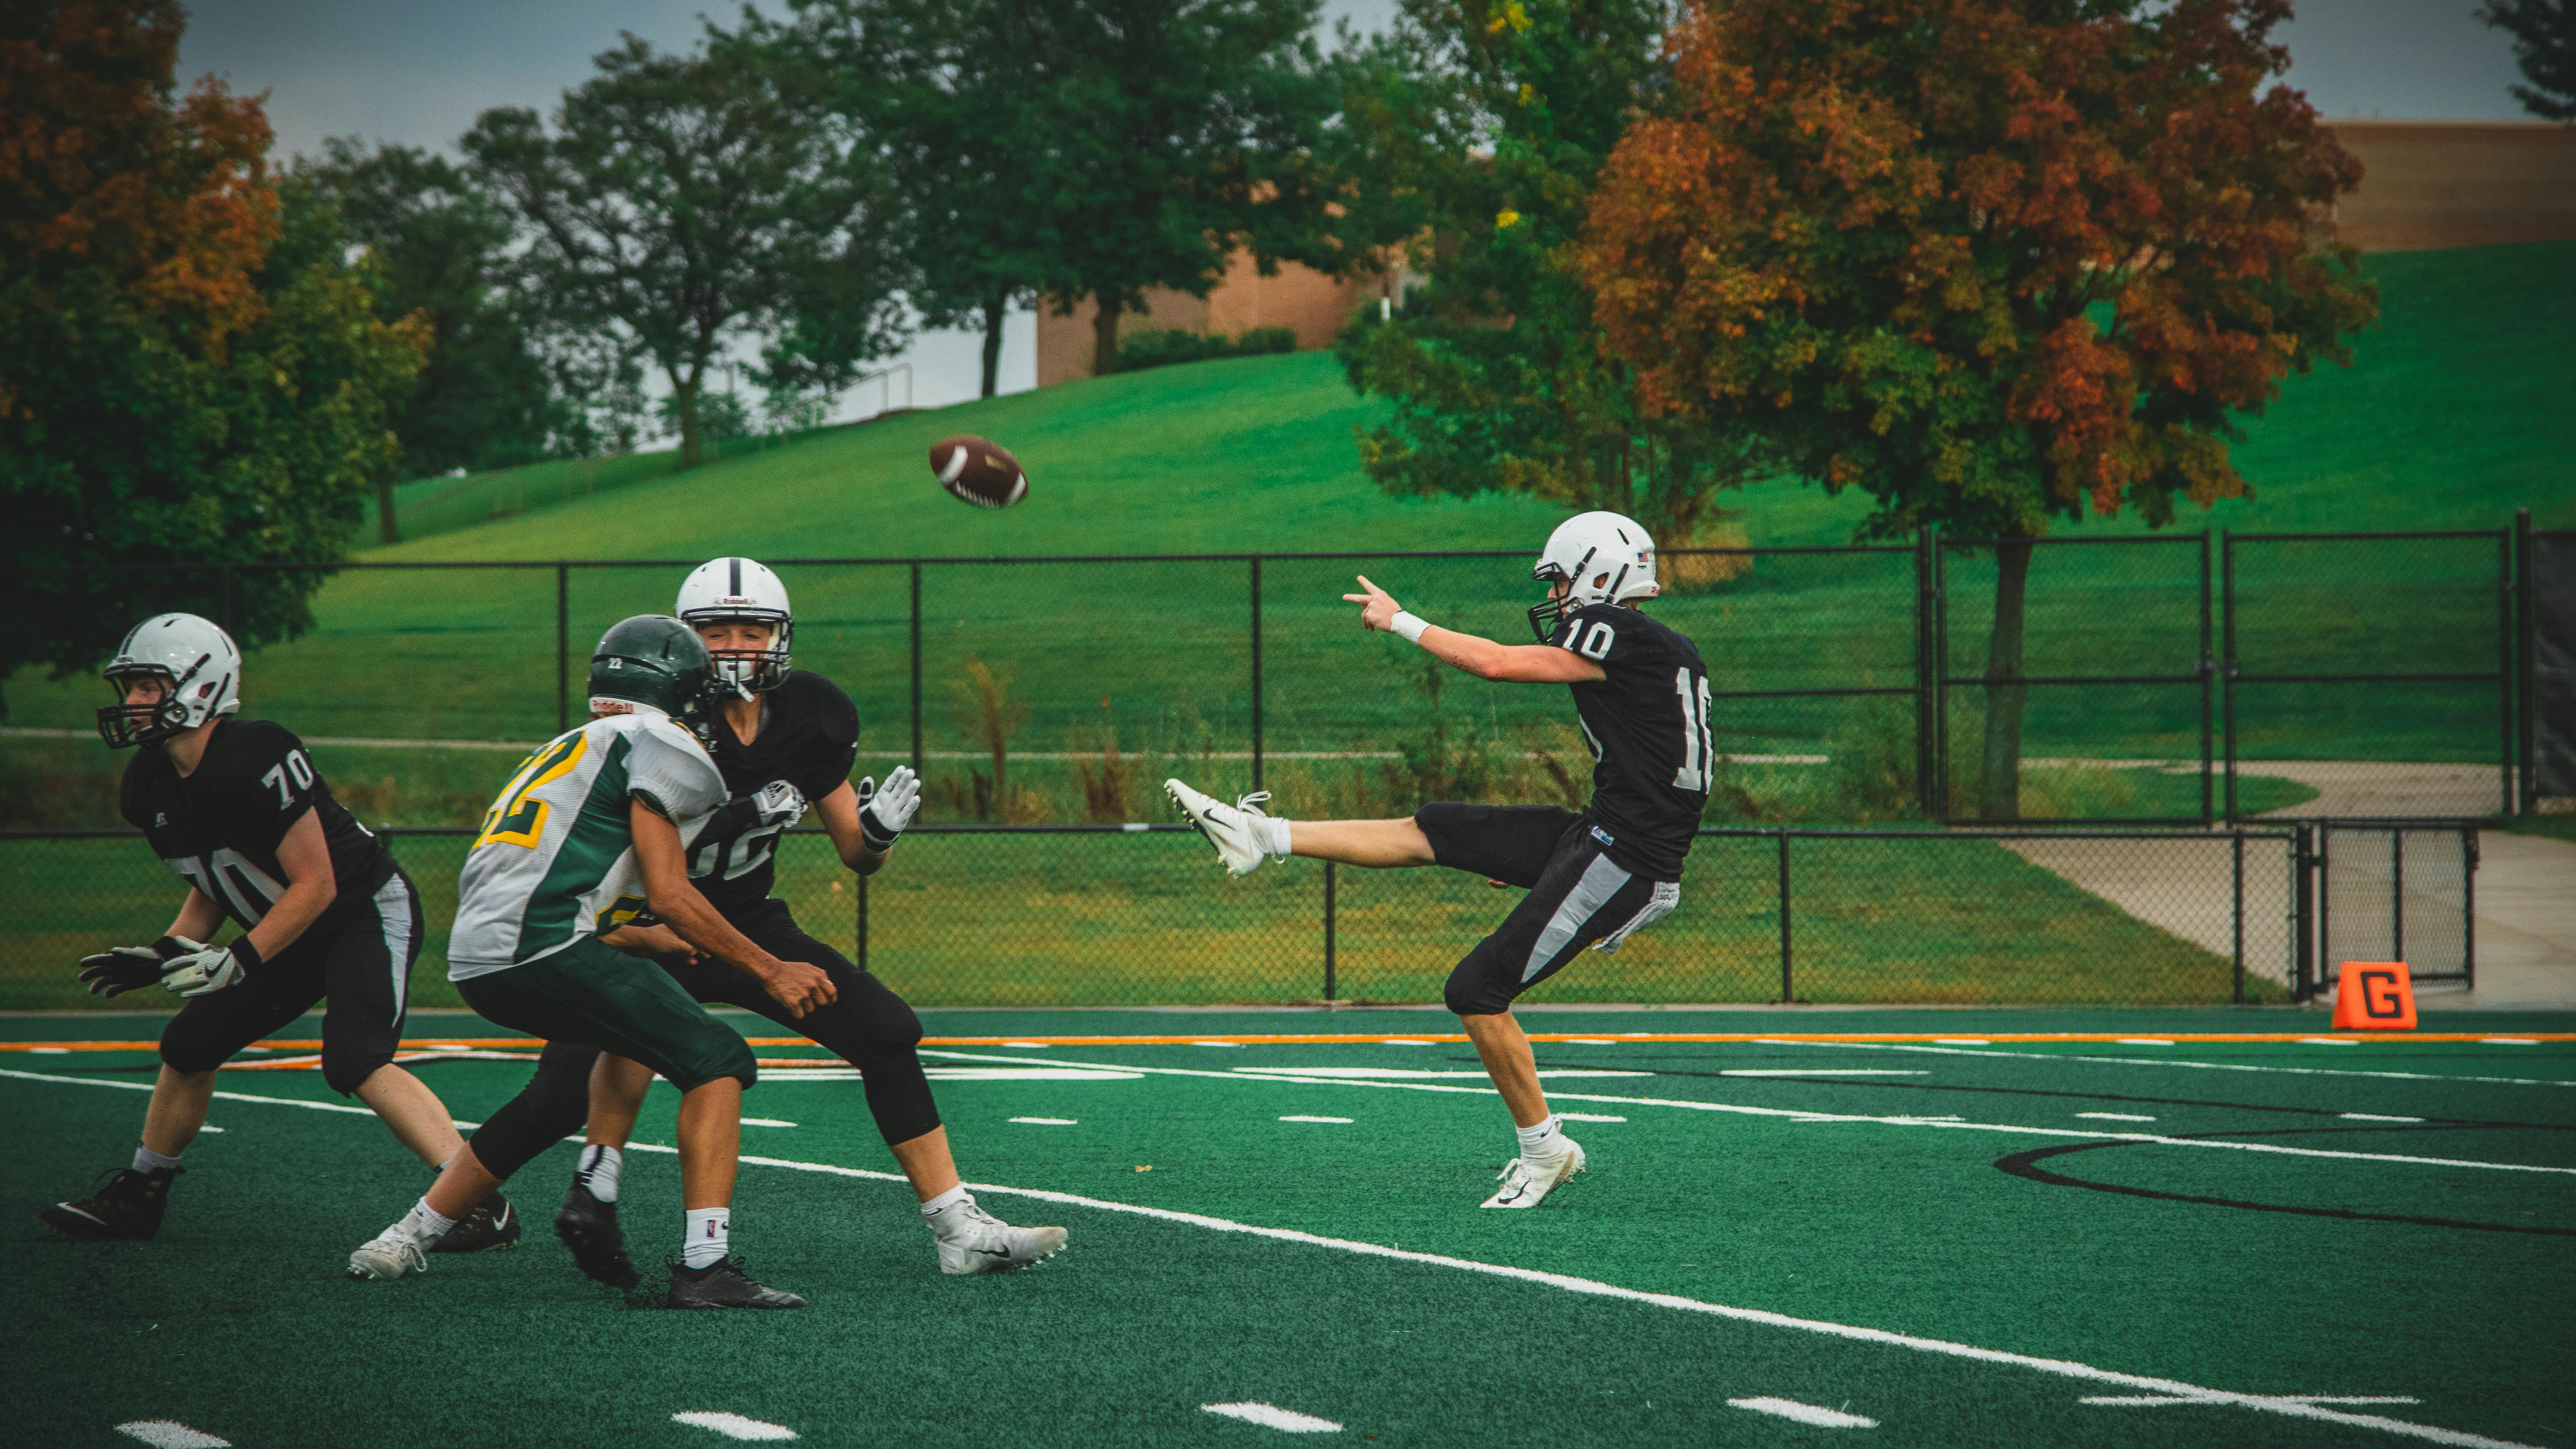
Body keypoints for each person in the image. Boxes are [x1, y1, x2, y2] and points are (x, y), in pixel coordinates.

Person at [531, 557, 1064, 1288]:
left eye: (756, 630)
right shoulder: (664, 718)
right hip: (649, 920)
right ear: (684, 641)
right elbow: (642, 849)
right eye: (718, 632)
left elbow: (855, 852)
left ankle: (956, 1226)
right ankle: (471, 1214)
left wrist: (876, 832)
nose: (740, 647)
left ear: (784, 637)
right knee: (559, 1086)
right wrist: (745, 812)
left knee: (886, 1032)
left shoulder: (812, 714)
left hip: (746, 920)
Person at [1165, 512, 1711, 1210]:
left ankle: (1545, 1150)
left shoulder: (1624, 632)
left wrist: (1400, 621)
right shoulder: (1665, 649)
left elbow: (1495, 663)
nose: (1558, 596)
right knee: (1436, 829)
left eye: (1563, 579)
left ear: (1601, 571)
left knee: (1476, 990)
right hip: (1606, 834)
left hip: (1624, 855)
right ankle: (1260, 836)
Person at [344, 615, 820, 1309]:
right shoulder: (660, 742)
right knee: (720, 1061)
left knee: (565, 1091)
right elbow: (671, 892)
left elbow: (568, 882)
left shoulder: (567, 748)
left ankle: (408, 1235)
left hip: (481, 959)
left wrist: (644, 938)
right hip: (543, 946)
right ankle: (705, 1266)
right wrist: (770, 968)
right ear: (685, 693)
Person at [41, 613, 513, 1250]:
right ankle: (141, 1193)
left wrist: (237, 959)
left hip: (358, 911)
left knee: (356, 1057)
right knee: (189, 1044)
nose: (133, 703)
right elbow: (213, 879)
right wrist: (166, 949)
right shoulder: (148, 782)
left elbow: (315, 882)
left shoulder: (256, 753)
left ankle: (476, 1201)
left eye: (149, 686)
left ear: (201, 688)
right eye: (130, 688)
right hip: (286, 929)